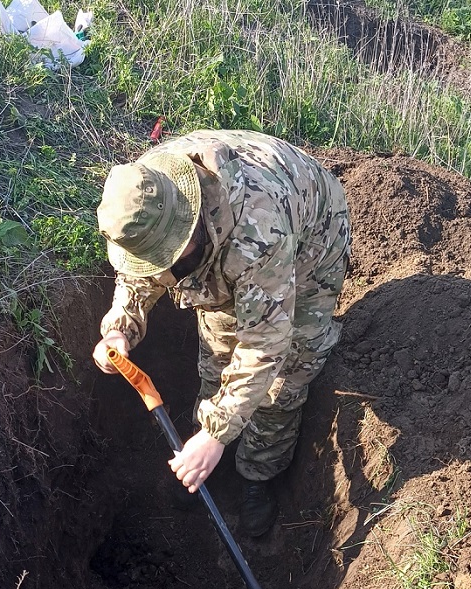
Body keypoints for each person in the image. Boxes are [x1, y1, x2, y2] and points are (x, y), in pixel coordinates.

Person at [92, 129, 351, 538]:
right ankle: (209, 461)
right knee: (218, 355)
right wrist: (121, 328)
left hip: (311, 239)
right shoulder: (145, 192)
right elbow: (139, 271)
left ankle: (257, 476)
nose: (166, 270)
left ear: (191, 225)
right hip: (237, 237)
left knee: (284, 378)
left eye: (172, 259)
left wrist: (215, 434)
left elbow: (266, 346)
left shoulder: (259, 234)